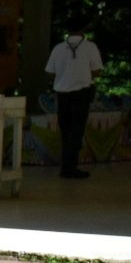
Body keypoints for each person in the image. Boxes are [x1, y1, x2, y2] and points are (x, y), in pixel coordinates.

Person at [44, 17, 103, 179]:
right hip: (81, 93)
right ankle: (70, 166)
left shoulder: (58, 48)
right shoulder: (90, 47)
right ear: (83, 29)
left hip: (62, 95)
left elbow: (50, 72)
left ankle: (66, 165)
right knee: (76, 130)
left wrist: (65, 75)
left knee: (65, 130)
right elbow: (97, 71)